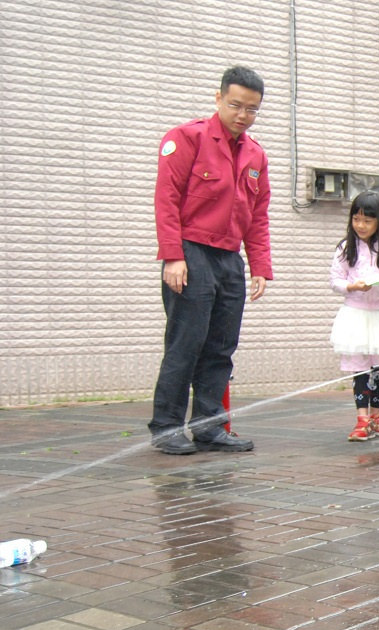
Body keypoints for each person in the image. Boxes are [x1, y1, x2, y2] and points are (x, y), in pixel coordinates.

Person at [148, 66, 272, 455]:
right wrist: (172, 256)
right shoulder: (186, 138)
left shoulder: (255, 154)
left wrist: (260, 266)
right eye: (235, 105)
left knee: (221, 346)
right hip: (190, 251)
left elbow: (258, 214)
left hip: (229, 258)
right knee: (187, 342)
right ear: (218, 99)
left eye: (251, 109)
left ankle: (209, 427)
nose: (242, 115)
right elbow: (166, 199)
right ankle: (166, 426)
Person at [328, 192, 379, 441]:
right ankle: (362, 419)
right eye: (356, 219)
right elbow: (335, 281)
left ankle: (377, 416)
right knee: (360, 368)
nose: (360, 226)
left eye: (367, 221)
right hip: (356, 314)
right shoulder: (345, 247)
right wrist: (353, 287)